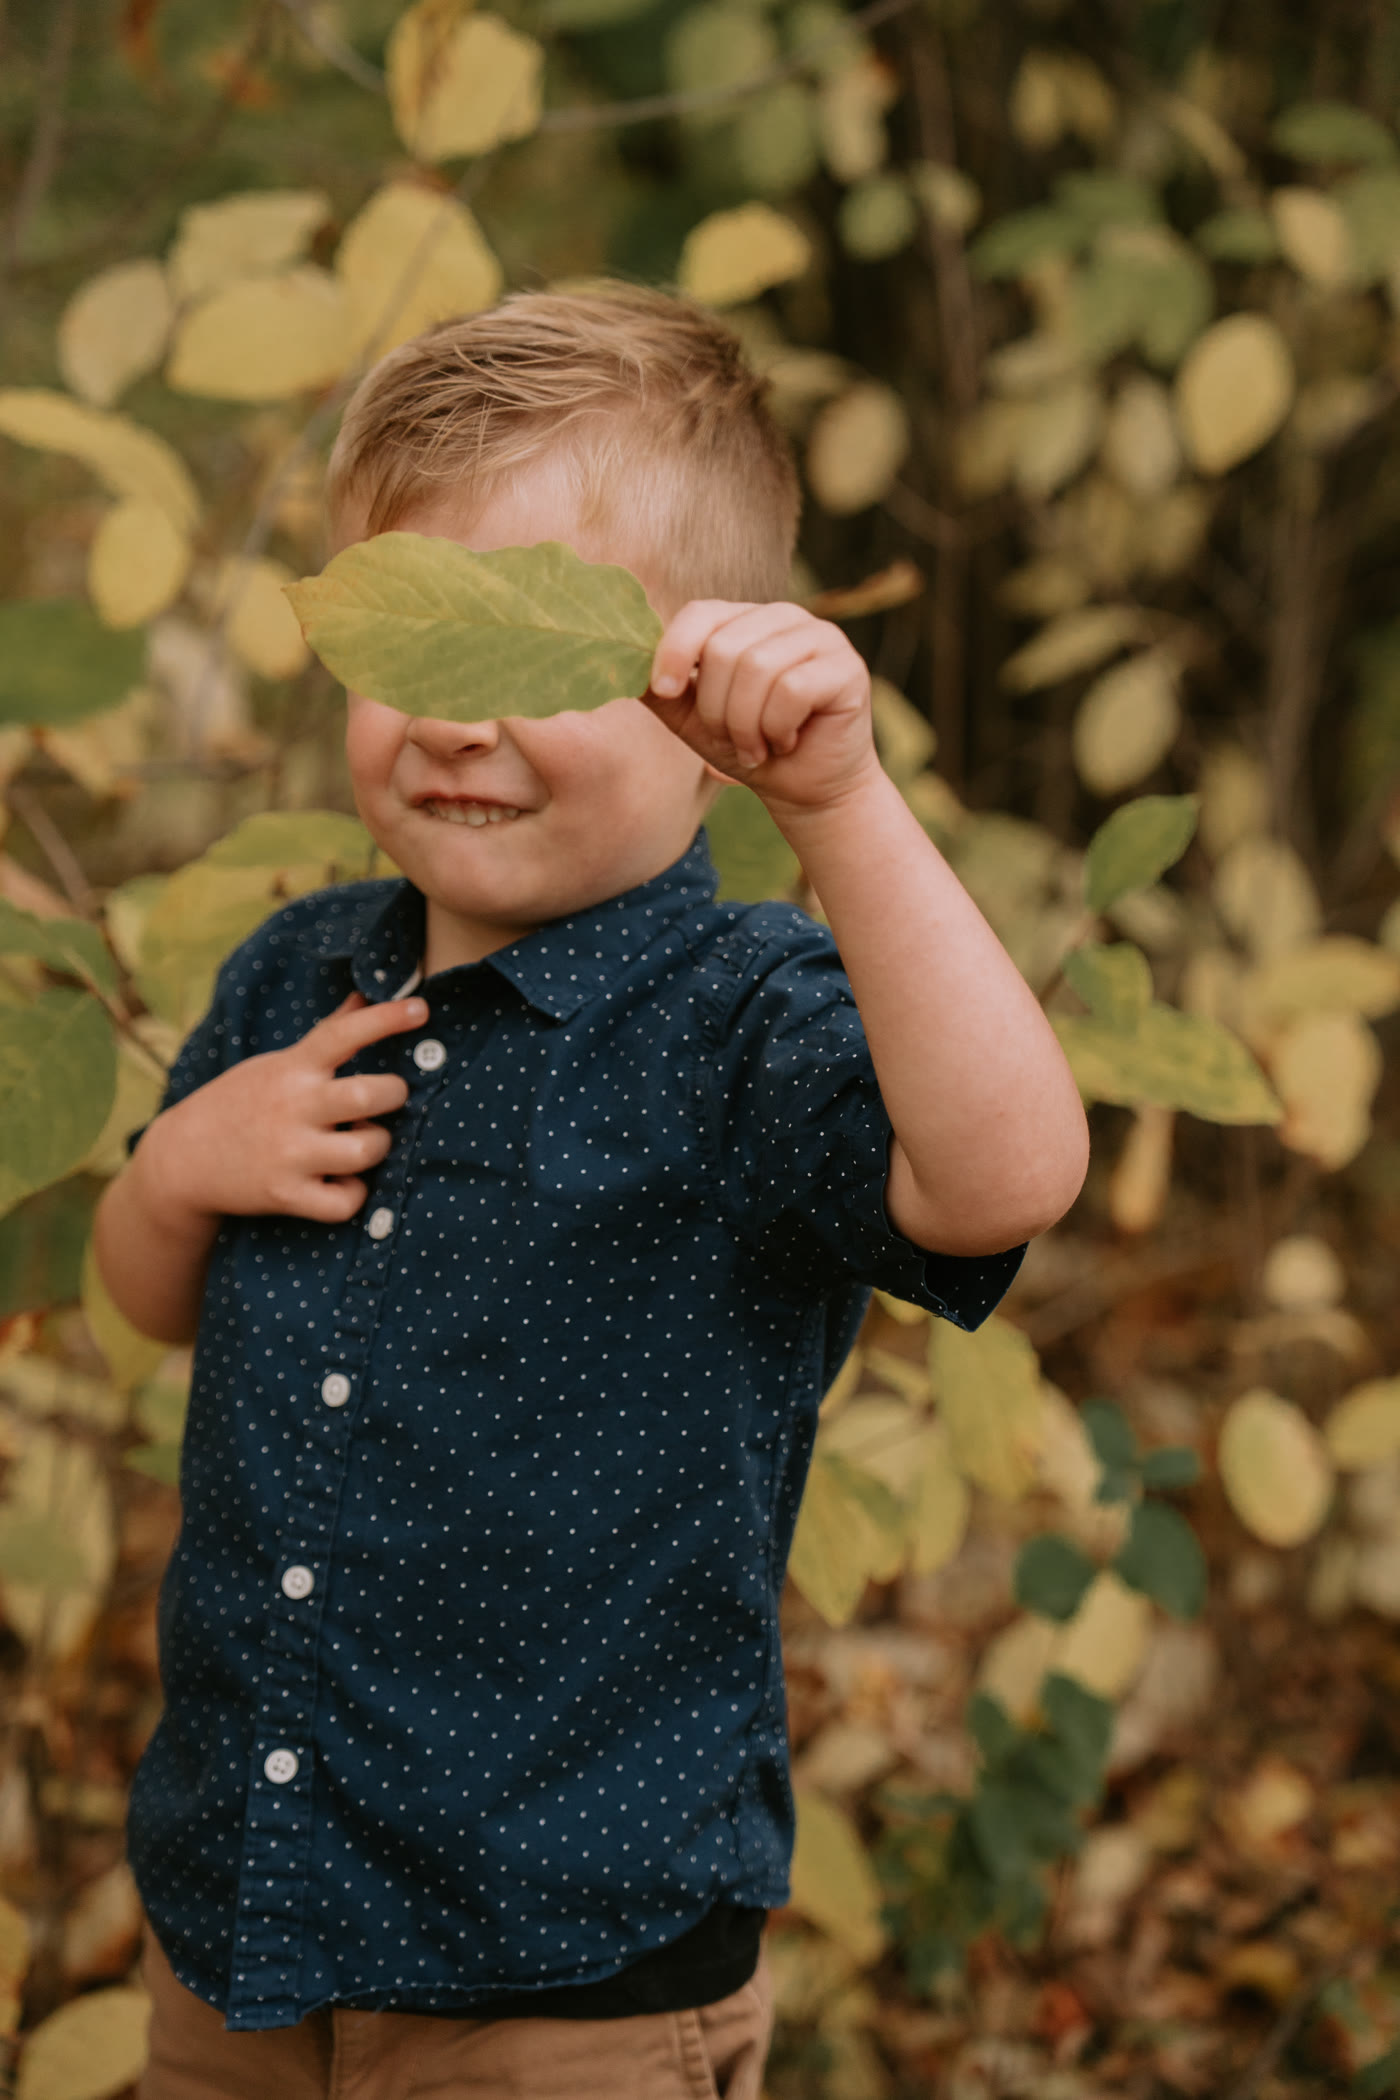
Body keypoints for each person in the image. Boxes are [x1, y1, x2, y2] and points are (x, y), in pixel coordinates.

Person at [94, 281, 1090, 2100]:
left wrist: (845, 806)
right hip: (240, 1918)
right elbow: (154, 1302)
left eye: (534, 666)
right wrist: (178, 1165)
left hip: (565, 1984)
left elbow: (1002, 1178)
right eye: (413, 652)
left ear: (708, 693)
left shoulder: (746, 1032)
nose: (456, 726)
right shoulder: (296, 977)